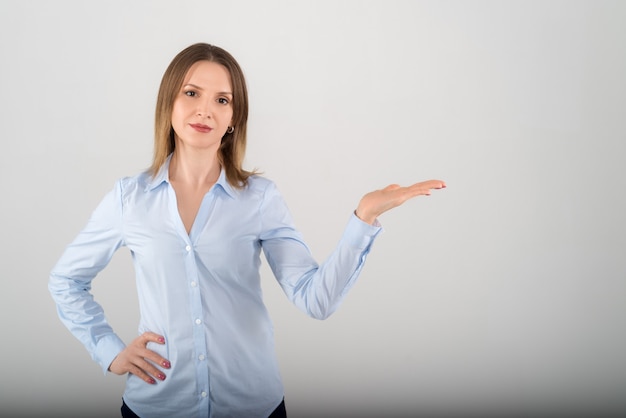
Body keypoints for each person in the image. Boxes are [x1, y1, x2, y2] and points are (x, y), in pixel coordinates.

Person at [49, 43, 446, 418]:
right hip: (156, 405)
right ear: (168, 101)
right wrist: (110, 352)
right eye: (191, 93)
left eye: (222, 100)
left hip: (252, 405)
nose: (205, 110)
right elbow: (66, 280)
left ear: (233, 119)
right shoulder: (129, 198)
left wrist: (363, 217)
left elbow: (315, 300)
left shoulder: (259, 198)